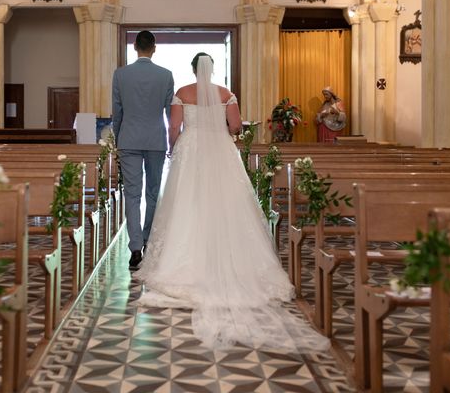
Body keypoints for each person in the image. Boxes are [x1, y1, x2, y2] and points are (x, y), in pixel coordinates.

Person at [135, 53, 330, 352]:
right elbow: (236, 127)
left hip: (191, 151)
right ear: (212, 70)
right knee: (226, 205)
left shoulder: (182, 94)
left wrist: (173, 148)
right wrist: (222, 132)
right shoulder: (226, 94)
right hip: (220, 152)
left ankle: (183, 263)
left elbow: (173, 128)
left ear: (192, 69)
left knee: (188, 205)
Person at [112, 31, 174, 270]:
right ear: (154, 48)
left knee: (132, 194)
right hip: (156, 140)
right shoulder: (165, 76)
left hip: (129, 139)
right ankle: (147, 240)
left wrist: (119, 137)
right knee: (152, 192)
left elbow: (117, 111)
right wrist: (172, 140)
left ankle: (135, 247)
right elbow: (170, 113)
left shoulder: (121, 75)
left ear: (135, 46)